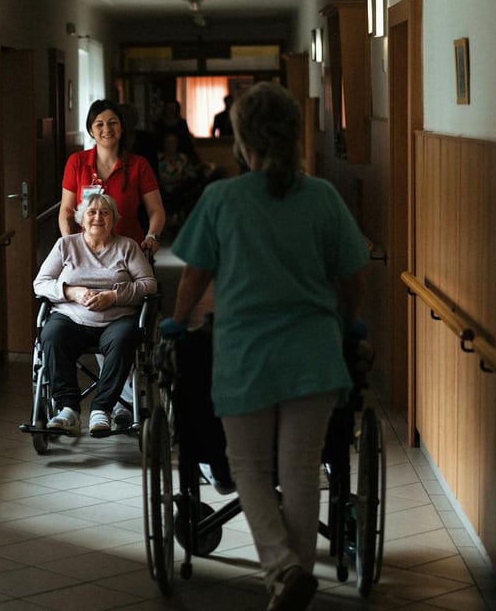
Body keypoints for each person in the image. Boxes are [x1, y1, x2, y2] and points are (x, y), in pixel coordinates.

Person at [160, 82, 369, 611]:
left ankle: (282, 570)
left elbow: (195, 274)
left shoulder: (222, 198)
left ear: (242, 140)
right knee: (300, 469)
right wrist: (347, 323)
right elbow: (352, 275)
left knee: (248, 467)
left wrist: (179, 323)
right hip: (314, 353)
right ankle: (289, 580)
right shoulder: (322, 197)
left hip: (247, 355)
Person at [33, 193, 158, 436]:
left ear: (114, 219)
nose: (97, 217)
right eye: (92, 212)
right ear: (81, 218)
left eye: (104, 212)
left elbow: (148, 284)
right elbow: (41, 283)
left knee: (125, 339)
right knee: (52, 335)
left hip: (116, 320)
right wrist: (72, 292)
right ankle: (67, 408)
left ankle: (102, 409)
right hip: (71, 317)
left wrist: (114, 296)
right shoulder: (66, 245)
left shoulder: (127, 247)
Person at [60, 100, 166, 257]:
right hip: (85, 253)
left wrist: (152, 236)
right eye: (99, 124)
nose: (107, 129)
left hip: (128, 252)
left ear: (121, 128)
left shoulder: (139, 165)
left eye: (112, 123)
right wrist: (70, 244)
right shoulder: (77, 162)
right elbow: (67, 210)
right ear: (91, 130)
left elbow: (156, 210)